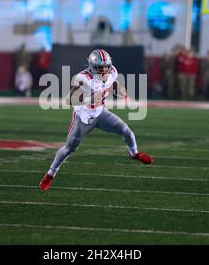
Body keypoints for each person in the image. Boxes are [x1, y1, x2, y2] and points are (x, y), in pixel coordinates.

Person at [39, 49, 153, 191]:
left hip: (100, 113)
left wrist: (123, 94)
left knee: (126, 131)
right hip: (84, 117)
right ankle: (51, 173)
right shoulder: (83, 78)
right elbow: (69, 99)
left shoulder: (111, 73)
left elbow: (113, 82)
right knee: (69, 148)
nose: (104, 70)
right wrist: (89, 98)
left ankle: (134, 153)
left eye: (106, 67)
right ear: (92, 66)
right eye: (101, 67)